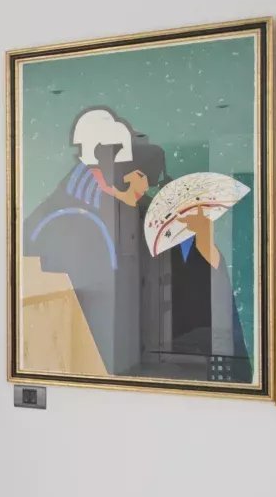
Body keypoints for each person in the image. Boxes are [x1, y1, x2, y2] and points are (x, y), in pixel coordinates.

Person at [24, 108, 245, 380]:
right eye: (141, 174)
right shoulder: (70, 218)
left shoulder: (110, 210)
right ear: (109, 168)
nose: (146, 186)